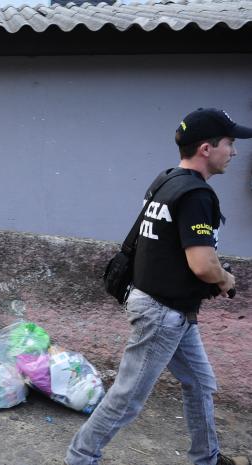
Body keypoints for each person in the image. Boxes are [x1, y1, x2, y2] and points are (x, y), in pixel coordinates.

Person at [65, 108, 252, 465]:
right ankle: (80, 458)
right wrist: (225, 278)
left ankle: (206, 458)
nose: (235, 151)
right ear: (206, 149)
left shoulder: (168, 179)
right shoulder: (197, 195)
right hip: (162, 313)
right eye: (230, 143)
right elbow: (201, 264)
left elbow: (168, 246)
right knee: (127, 398)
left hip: (166, 306)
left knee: (200, 384)